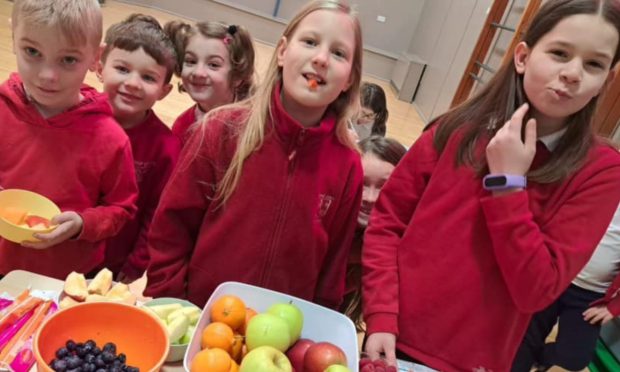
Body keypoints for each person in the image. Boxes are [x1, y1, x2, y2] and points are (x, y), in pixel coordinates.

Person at [361, 1, 620, 370]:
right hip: (393, 339)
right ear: (522, 57)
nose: (573, 73)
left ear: (606, 81)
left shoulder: (602, 170)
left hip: (477, 361)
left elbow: (536, 290)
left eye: (594, 64)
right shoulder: (455, 130)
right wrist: (382, 314)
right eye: (560, 53)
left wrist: (508, 186)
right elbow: (387, 225)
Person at [145, 0, 364, 309]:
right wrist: (174, 305)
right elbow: (171, 228)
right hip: (202, 321)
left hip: (284, 335)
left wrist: (318, 329)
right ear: (283, 52)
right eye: (310, 42)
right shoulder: (219, 130)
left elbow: (333, 267)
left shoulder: (348, 165)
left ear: (350, 78)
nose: (320, 59)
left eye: (338, 53)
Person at [0, 0, 137, 279]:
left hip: (65, 276)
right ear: (13, 38)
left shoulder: (110, 138)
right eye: (32, 51)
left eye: (68, 60)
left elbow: (122, 208)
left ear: (96, 58)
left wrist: (81, 224)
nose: (47, 75)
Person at [97, 14, 181, 281]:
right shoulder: (73, 117)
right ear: (100, 66)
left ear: (164, 91)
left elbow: (155, 217)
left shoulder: (166, 148)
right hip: (55, 245)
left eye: (148, 77)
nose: (132, 83)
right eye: (122, 69)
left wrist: (134, 266)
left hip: (110, 265)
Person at [512, 203, 620, 372]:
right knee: (524, 343)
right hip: (556, 275)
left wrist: (613, 307)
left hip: (592, 296)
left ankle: (539, 355)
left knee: (575, 358)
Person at [340, 135, 407, 331]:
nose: (370, 197)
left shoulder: (396, 253)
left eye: (384, 187)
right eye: (362, 182)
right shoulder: (326, 236)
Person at [165, 20, 255, 144]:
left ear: (237, 76)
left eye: (213, 64)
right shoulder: (182, 127)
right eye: (191, 61)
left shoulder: (254, 125)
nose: (198, 72)